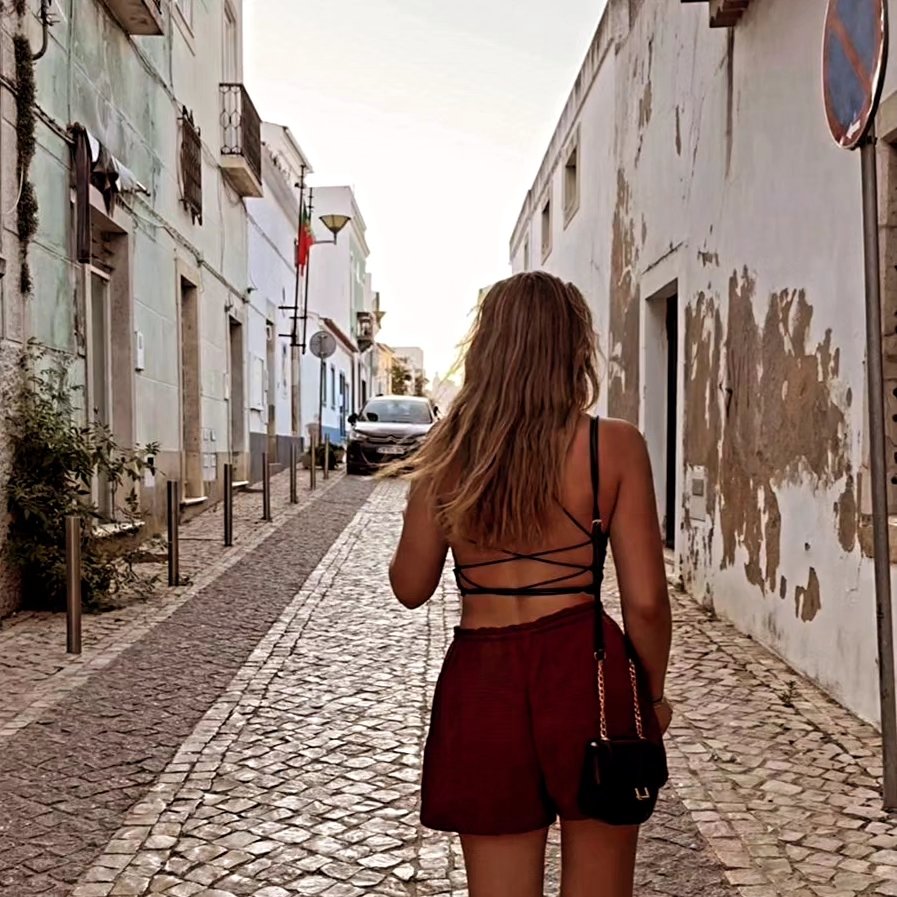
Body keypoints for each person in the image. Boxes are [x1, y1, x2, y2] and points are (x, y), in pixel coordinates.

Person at [388, 271, 673, 897]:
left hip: (483, 681)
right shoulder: (612, 446)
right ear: (574, 348)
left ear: (486, 348)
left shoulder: (449, 453)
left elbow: (410, 586)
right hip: (586, 672)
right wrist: (648, 700)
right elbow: (648, 603)